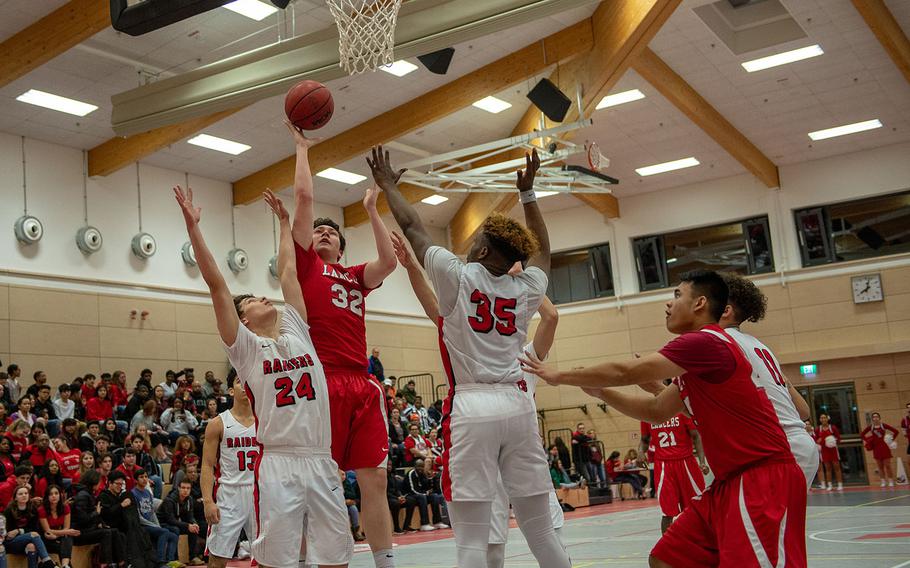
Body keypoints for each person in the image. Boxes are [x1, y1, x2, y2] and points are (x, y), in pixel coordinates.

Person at [521, 270, 807, 567]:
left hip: (761, 477)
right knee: (666, 558)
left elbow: (628, 372)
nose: (669, 305)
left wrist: (558, 375)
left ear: (699, 304)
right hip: (728, 482)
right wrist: (601, 392)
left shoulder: (707, 342)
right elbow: (656, 410)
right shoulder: (698, 362)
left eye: (677, 296)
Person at [382, 144, 569, 568]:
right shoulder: (525, 291)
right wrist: (529, 195)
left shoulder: (456, 276)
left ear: (483, 252)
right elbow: (543, 253)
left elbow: (412, 226)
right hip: (518, 405)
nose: (470, 243)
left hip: (472, 404)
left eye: (476, 239)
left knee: (470, 541)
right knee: (541, 530)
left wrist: (388, 186)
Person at [177, 183, 352, 568]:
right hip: (279, 464)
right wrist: (194, 229)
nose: (263, 297)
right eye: (254, 299)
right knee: (278, 561)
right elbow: (217, 285)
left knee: (336, 558)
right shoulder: (247, 350)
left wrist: (286, 222)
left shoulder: (296, 327)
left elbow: (288, 269)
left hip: (321, 459)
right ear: (243, 320)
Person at [287, 125, 396, 568]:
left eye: (332, 231)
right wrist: (301, 149)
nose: (324, 232)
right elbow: (304, 201)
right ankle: (315, 558)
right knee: (321, 480)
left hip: (363, 384)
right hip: (324, 379)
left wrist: (372, 209)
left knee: (375, 480)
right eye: (318, 231)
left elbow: (388, 262)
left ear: (341, 244)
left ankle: (385, 561)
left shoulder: (354, 277)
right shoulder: (307, 267)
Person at [718, 274, 818, 491]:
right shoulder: (759, 345)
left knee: (753, 523)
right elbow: (803, 410)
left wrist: (655, 389)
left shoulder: (721, 341)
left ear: (725, 309)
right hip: (801, 444)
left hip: (777, 449)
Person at [200, 372, 258, 568]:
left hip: (261, 493)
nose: (246, 385)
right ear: (231, 390)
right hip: (229, 495)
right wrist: (208, 501)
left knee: (268, 558)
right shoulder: (217, 423)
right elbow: (207, 465)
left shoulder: (267, 421)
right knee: (217, 560)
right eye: (240, 381)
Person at [640, 415, 707, 533]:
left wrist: (702, 462)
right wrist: (640, 451)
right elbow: (644, 440)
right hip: (663, 466)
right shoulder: (647, 412)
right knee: (667, 512)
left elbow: (696, 436)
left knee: (697, 507)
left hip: (686, 462)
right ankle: (666, 549)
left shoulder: (679, 408)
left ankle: (706, 543)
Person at [132, 469, 180, 567]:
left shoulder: (148, 493)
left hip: (151, 524)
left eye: (146, 476)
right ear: (136, 480)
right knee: (164, 532)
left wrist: (157, 525)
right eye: (141, 477)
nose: (144, 479)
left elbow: (152, 512)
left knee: (173, 536)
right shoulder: (133, 494)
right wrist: (155, 526)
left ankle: (169, 561)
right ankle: (160, 562)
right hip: (142, 525)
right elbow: (138, 517)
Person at [3, 486, 57, 568]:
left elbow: (35, 529)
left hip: (26, 541)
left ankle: (44, 563)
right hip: (11, 543)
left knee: (32, 546)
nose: (24, 495)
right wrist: (23, 533)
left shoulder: (32, 509)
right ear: (15, 498)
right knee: (33, 534)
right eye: (20, 494)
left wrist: (19, 531)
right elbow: (9, 534)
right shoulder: (9, 510)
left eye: (26, 493)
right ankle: (47, 562)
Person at [158, 480, 204, 565]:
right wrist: (187, 525)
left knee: (193, 530)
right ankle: (175, 559)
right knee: (175, 529)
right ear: (178, 488)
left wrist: (194, 523)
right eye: (183, 488)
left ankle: (192, 557)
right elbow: (170, 519)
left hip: (175, 522)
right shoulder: (170, 500)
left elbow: (190, 516)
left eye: (188, 488)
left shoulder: (189, 499)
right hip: (162, 523)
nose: (185, 490)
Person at [38, 484, 78, 568]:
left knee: (67, 537)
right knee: (65, 541)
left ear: (60, 495)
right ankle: (66, 565)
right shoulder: (42, 509)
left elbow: (66, 528)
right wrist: (67, 532)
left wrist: (64, 532)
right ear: (47, 496)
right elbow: (47, 530)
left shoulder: (65, 507)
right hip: (45, 538)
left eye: (56, 493)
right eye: (51, 494)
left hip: (58, 537)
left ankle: (65, 565)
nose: (54, 496)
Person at [405, 460, 446, 532]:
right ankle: (424, 524)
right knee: (422, 497)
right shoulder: (411, 473)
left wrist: (429, 478)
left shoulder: (423, 474)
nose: (420, 468)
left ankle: (437, 522)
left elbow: (427, 487)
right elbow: (412, 490)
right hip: (410, 495)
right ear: (415, 467)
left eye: (422, 467)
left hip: (421, 495)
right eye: (419, 466)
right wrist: (425, 494)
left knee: (435, 496)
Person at [862, 412, 900, 487]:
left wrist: (891, 440)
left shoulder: (883, 425)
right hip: (876, 448)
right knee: (880, 466)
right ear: (872, 419)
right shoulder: (871, 427)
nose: (875, 418)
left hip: (885, 447)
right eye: (874, 417)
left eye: (877, 417)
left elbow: (896, 431)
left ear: (879, 418)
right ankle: (883, 481)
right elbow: (862, 434)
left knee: (887, 465)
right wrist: (868, 441)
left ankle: (891, 481)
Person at [385, 461, 416, 535]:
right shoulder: (382, 477)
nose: (389, 466)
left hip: (395, 497)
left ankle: (406, 525)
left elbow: (397, 490)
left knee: (411, 501)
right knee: (396, 503)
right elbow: (384, 492)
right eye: (387, 465)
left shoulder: (392, 476)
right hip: (386, 498)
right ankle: (396, 528)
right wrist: (397, 498)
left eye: (390, 465)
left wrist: (401, 496)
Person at [815, 414, 843, 491]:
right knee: (827, 468)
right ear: (820, 420)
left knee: (837, 467)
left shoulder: (833, 428)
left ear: (827, 419)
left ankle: (840, 484)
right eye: (821, 418)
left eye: (824, 418)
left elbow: (839, 438)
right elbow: (815, 440)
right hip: (824, 451)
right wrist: (818, 441)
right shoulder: (818, 429)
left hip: (833, 450)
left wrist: (833, 440)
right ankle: (829, 485)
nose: (823, 419)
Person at [342, 471, 365, 542]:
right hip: (338, 504)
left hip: (347, 504)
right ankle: (344, 535)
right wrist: (344, 501)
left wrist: (347, 499)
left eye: (344, 475)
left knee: (354, 509)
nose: (343, 476)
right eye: (342, 474)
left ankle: (356, 532)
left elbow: (353, 494)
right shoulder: (333, 482)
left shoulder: (347, 482)